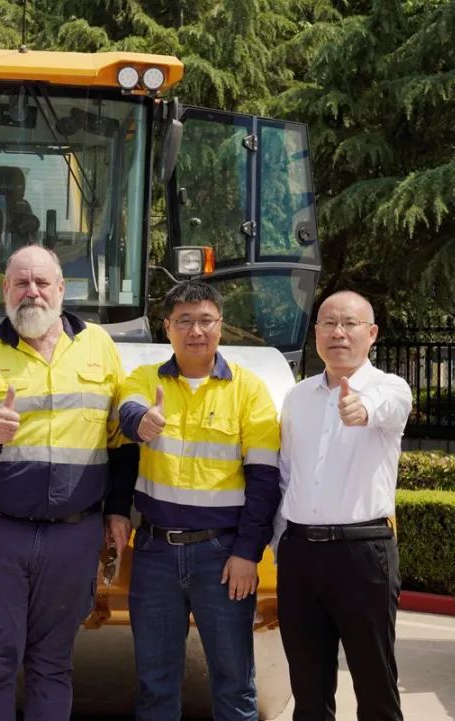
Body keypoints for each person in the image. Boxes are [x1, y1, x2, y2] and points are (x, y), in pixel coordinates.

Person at [0, 245, 136, 721]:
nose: (32, 292)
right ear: (5, 290)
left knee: (53, 665)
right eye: (21, 283)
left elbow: (120, 440)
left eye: (42, 283)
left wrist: (117, 509)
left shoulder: (100, 346)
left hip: (73, 535)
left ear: (61, 289)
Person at [109, 280, 281, 721]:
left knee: (234, 685)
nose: (196, 330)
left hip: (222, 556)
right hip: (154, 553)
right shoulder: (145, 378)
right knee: (155, 686)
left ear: (221, 325)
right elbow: (127, 415)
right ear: (167, 327)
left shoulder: (249, 390)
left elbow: (264, 480)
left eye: (206, 320)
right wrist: (141, 420)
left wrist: (248, 553)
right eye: (184, 321)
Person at [275, 291, 411, 721]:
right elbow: (285, 475)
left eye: (350, 324)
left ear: (371, 333)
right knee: (308, 690)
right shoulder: (297, 397)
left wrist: (362, 407)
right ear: (316, 333)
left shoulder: (390, 387)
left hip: (362, 554)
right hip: (300, 555)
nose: (338, 332)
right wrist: (280, 546)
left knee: (375, 686)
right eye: (329, 323)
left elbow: (387, 408)